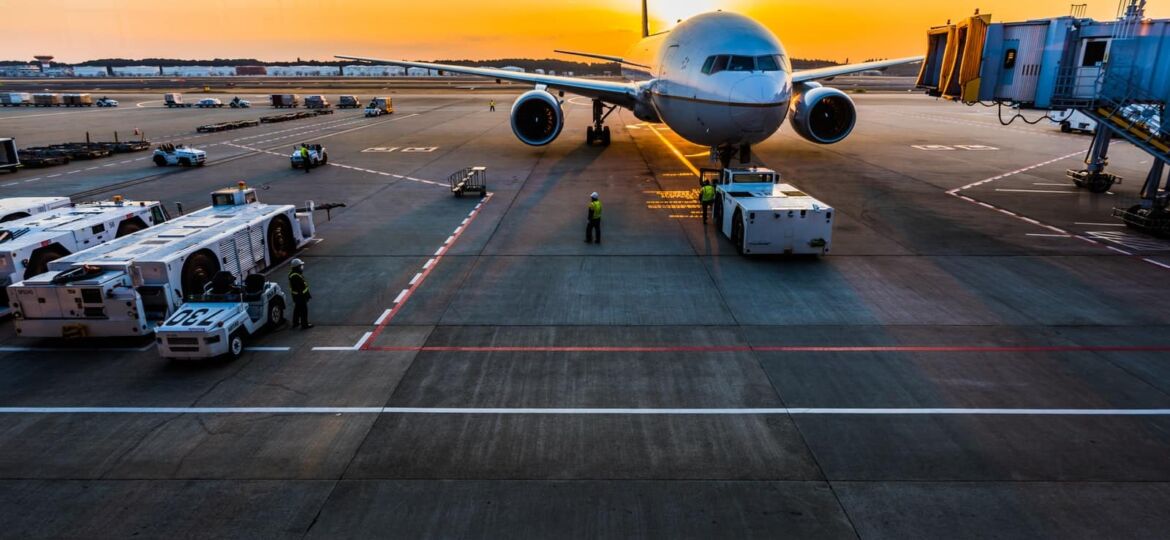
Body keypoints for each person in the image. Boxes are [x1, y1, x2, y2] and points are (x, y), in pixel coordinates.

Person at [288, 258, 312, 329]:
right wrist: (305, 296)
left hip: (296, 296)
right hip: (300, 297)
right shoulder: (295, 276)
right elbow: (300, 289)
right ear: (297, 267)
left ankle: (295, 323)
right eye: (300, 266)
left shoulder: (294, 274)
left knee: (297, 309)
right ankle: (304, 324)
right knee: (303, 310)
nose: (302, 267)